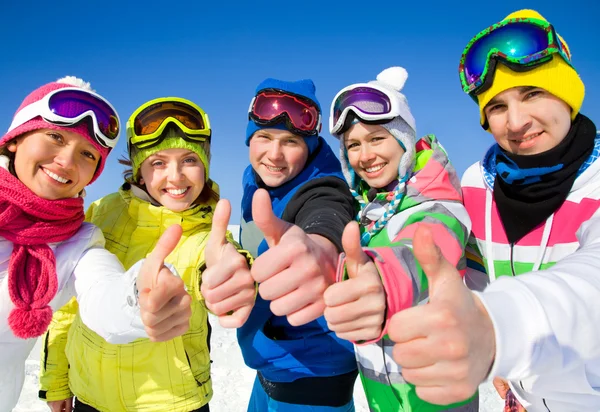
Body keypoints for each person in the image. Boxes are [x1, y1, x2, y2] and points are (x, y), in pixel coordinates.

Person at [387, 9, 600, 412]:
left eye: (533, 94)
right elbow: (468, 272)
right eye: (498, 106)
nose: (517, 121)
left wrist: (499, 327)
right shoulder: (475, 184)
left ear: (567, 92)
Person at [38, 97, 254, 412]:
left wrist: (227, 280)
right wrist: (56, 380)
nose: (176, 176)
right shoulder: (103, 211)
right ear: (140, 171)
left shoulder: (206, 233)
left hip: (170, 403)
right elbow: (68, 306)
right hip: (88, 398)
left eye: (189, 160)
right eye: (159, 163)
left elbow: (213, 263)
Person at [0, 78, 191, 411]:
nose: (66, 161)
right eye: (55, 137)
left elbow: (103, 297)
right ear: (16, 138)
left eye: (87, 154)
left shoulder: (78, 243)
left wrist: (137, 299)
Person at [323, 67, 475, 412]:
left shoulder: (439, 203)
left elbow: (429, 249)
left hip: (437, 397)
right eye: (353, 145)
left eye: (377, 138)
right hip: (383, 395)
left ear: (403, 140)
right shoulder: (367, 209)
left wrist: (383, 279)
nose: (365, 156)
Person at [203, 78, 358, 411]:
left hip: (314, 383)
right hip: (269, 373)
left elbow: (327, 213)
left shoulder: (320, 185)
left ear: (310, 147)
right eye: (264, 137)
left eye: (290, 141)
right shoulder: (254, 180)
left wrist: (322, 246)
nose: (274, 154)